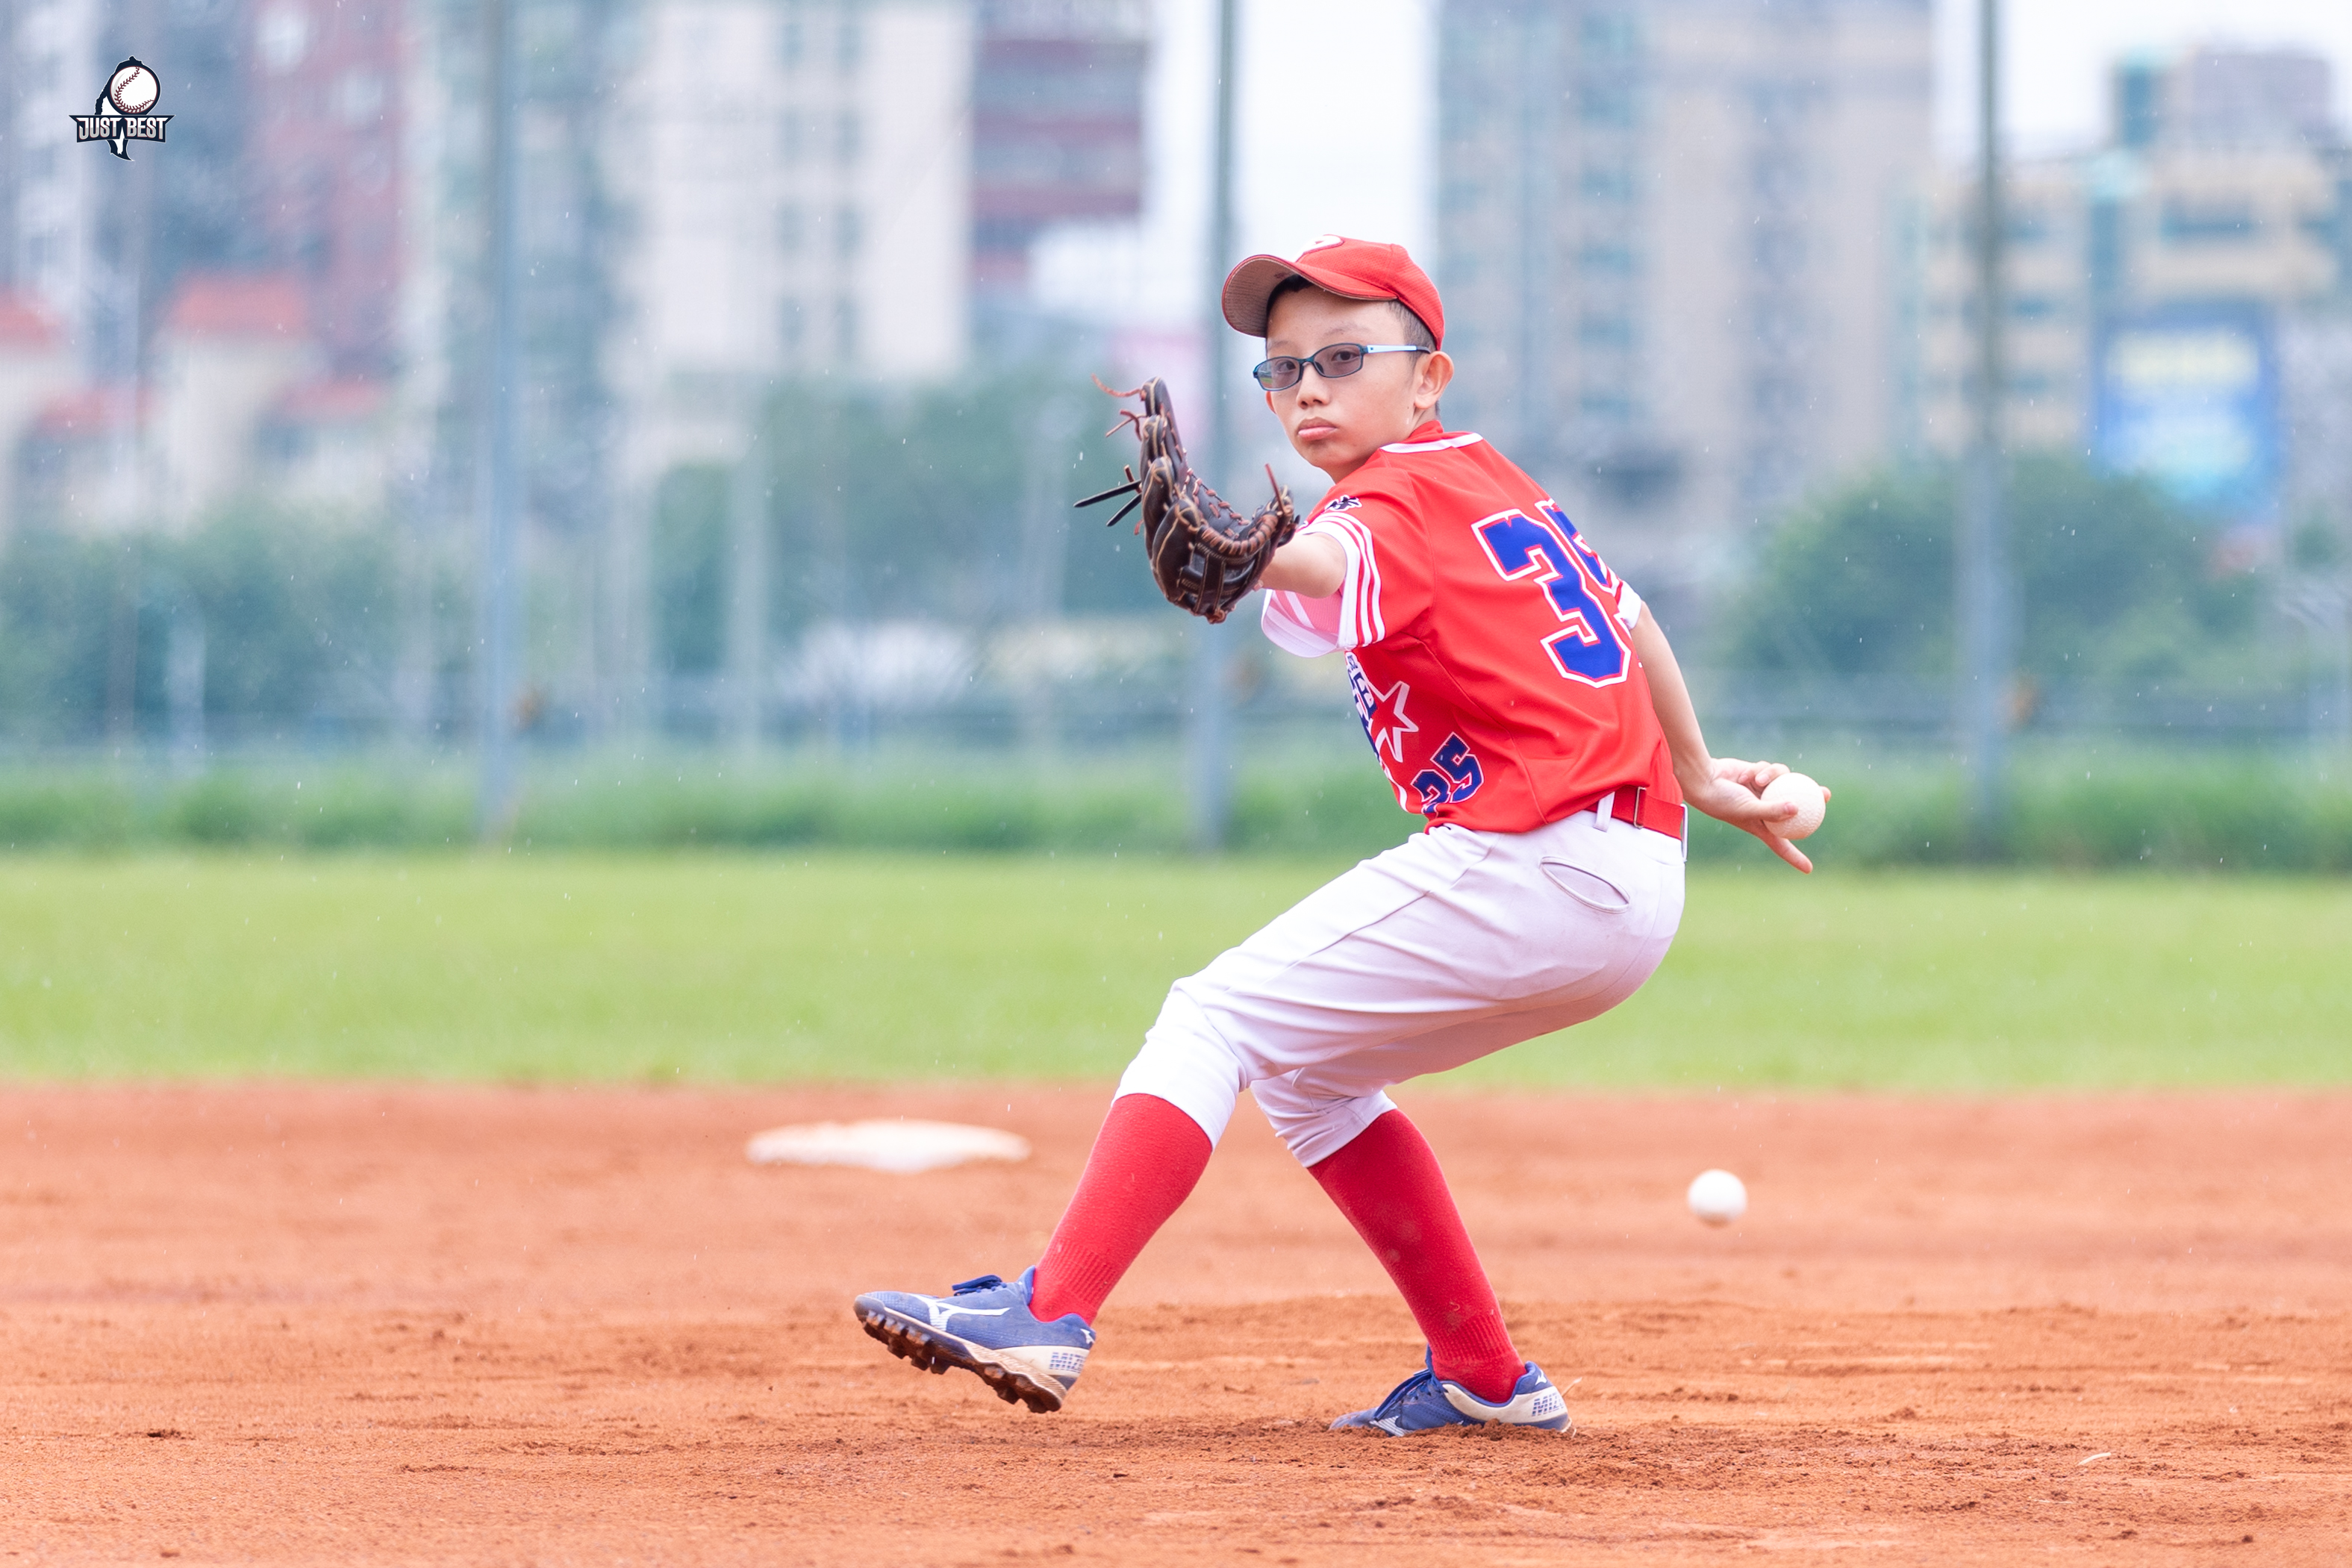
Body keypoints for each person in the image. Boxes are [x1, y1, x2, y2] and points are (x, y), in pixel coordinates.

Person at [852, 236, 1820, 1435]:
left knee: (1211, 1017)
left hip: (1541, 860)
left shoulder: (1392, 499)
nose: (1308, 387)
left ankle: (1051, 1311)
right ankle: (1484, 1373)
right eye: (1283, 368)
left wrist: (1261, 551)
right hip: (1621, 876)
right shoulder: (1492, 483)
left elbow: (1336, 555)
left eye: (1346, 357)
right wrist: (1697, 772)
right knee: (1312, 1080)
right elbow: (1633, 615)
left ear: (1429, 378)